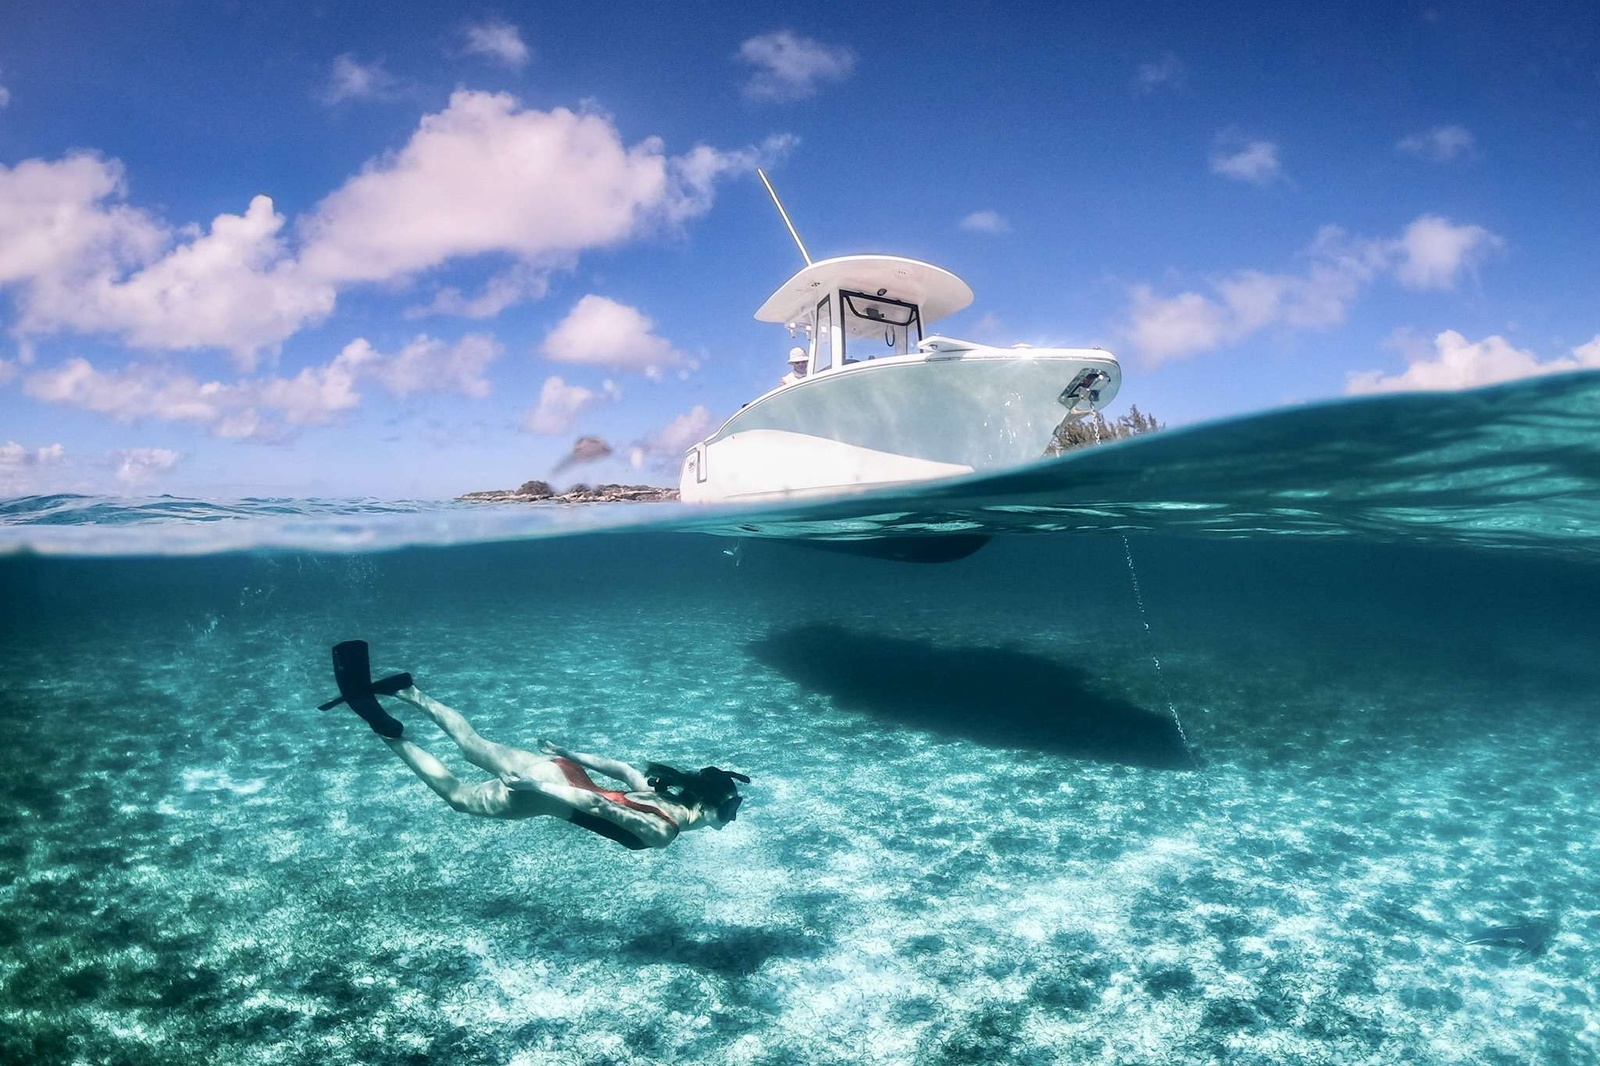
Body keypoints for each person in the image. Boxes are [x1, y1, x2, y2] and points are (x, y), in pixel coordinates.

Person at [318, 641, 749, 850]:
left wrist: (570, 755)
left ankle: (408, 691)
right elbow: (598, 806)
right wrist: (534, 788)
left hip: (562, 771)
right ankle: (387, 731)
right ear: (707, 804)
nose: (731, 818)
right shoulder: (665, 831)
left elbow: (621, 770)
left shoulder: (666, 795)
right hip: (553, 792)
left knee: (471, 744)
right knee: (459, 798)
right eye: (729, 810)